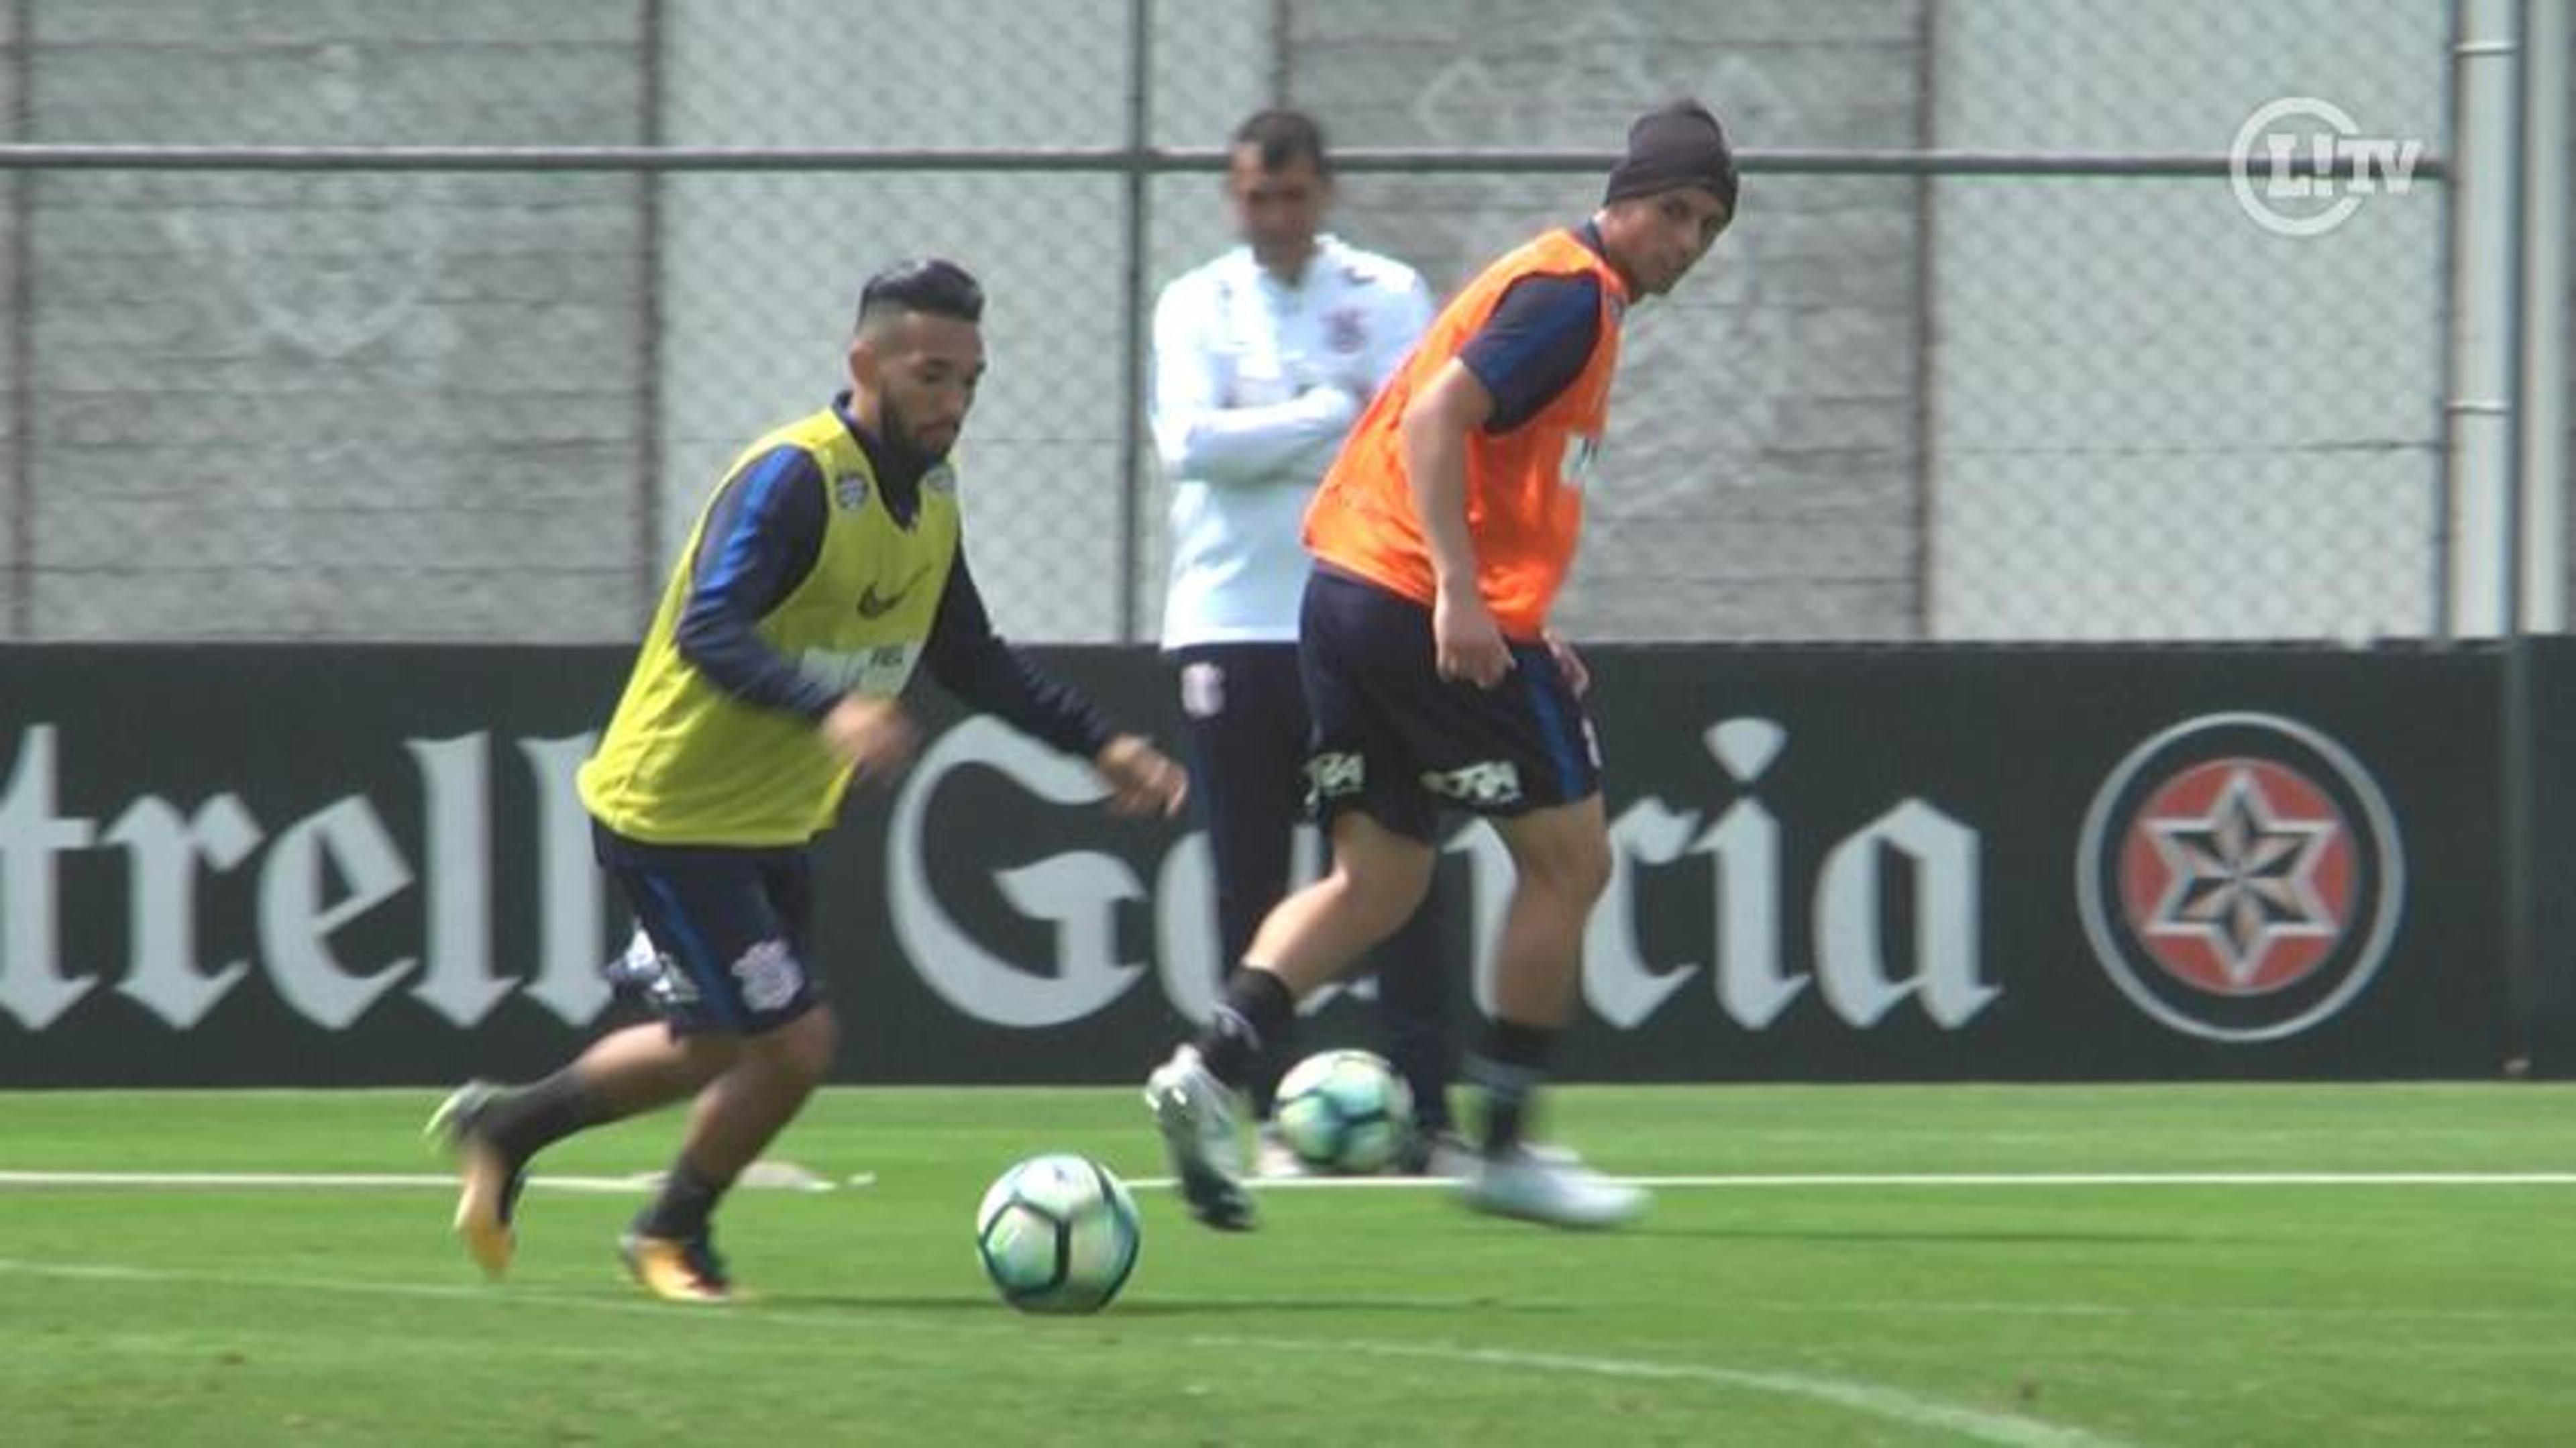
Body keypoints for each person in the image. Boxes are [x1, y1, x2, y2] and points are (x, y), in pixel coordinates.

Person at [431, 258, 1188, 1303]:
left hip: (768, 819)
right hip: (679, 810)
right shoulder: (793, 477)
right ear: (865, 362)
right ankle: (672, 1234)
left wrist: (1096, 743)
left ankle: (505, 1128)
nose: (955, 403)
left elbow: (966, 655)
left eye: (971, 381)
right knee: (792, 1043)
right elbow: (711, 626)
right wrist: (831, 708)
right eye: (932, 375)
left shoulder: (929, 493)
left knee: (715, 1046)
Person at [1144, 99, 1739, 1231]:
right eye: (1672, 210)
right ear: (1622, 198)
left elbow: (1486, 465)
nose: (1686, 241)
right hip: (1414, 601)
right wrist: (1466, 596)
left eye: (1707, 225)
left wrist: (1504, 601)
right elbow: (1434, 419)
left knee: (1380, 880)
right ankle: (1509, 1144)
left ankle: (1210, 1066)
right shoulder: (1571, 293)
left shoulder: (1565, 291)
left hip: (1343, 594)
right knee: (1571, 861)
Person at [1151, 108, 1468, 1176]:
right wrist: (1328, 413)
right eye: (1253, 195)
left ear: (1324, 194)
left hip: (1359, 612)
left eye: (1290, 195)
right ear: (1232, 196)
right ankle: (1267, 1122)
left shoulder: (1386, 294)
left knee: (1398, 866)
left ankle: (1428, 1115)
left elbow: (1407, 435)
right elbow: (1190, 446)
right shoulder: (1195, 302)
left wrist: (1289, 429)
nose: (1272, 215)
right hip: (1229, 622)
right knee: (1250, 882)